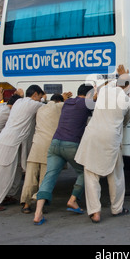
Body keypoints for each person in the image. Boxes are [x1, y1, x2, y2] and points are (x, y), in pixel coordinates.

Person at [75, 65, 130, 223]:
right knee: (116, 176)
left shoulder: (104, 91)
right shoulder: (128, 101)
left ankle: (95, 212)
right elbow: (128, 120)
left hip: (93, 135)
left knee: (91, 174)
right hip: (110, 139)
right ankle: (117, 208)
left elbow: (98, 93)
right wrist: (125, 76)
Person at [33, 84, 94, 225]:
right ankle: (73, 200)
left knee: (49, 176)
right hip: (71, 144)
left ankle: (38, 213)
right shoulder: (87, 103)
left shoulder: (67, 102)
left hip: (55, 143)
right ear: (89, 94)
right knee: (85, 172)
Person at [0, 85, 46, 211]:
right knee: (1, 173)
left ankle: (5, 196)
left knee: (13, 171)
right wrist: (44, 99)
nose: (40, 99)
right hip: (10, 142)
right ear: (35, 95)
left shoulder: (19, 102)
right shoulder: (32, 104)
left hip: (7, 140)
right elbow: (46, 106)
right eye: (39, 96)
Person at [20, 93, 68, 213]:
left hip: (35, 147)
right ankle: (38, 205)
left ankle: (26, 204)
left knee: (30, 178)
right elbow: (69, 103)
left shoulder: (40, 108)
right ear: (59, 101)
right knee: (44, 179)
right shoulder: (58, 107)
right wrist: (66, 98)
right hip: (48, 148)